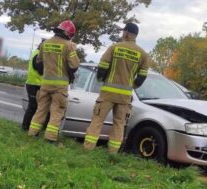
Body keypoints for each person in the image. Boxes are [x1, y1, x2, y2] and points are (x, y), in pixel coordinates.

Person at [83, 22, 149, 153]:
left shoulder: (114, 48)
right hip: (125, 96)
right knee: (119, 123)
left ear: (126, 33)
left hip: (108, 93)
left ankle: (88, 149)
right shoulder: (143, 54)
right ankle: (113, 152)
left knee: (97, 120)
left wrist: (101, 79)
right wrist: (131, 86)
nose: (122, 34)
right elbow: (141, 78)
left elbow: (102, 66)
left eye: (123, 32)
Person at [28, 20, 80, 142]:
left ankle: (32, 133)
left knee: (41, 110)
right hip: (60, 86)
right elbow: (74, 66)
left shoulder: (45, 44)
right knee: (57, 112)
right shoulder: (69, 45)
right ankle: (50, 138)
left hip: (45, 84)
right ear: (68, 34)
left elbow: (38, 62)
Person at [21, 39, 48, 131]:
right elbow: (40, 70)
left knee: (35, 107)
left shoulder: (36, 53)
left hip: (33, 84)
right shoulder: (38, 55)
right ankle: (25, 126)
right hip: (35, 84)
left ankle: (28, 126)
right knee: (33, 107)